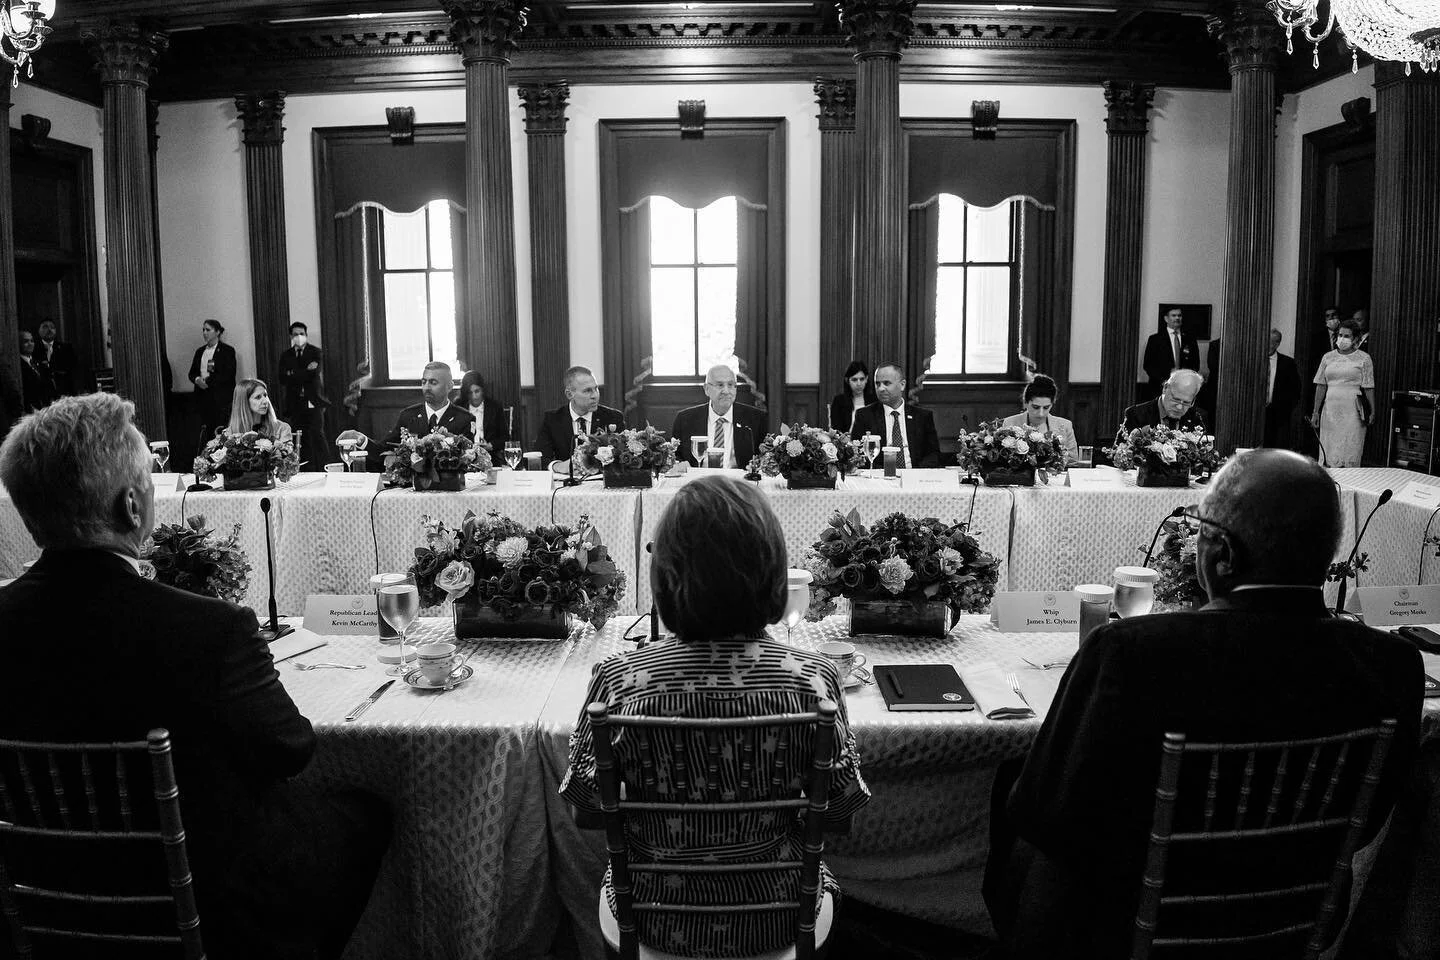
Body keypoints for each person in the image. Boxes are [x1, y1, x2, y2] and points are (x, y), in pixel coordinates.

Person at [984, 449, 1422, 959]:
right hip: (1288, 921)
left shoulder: (1130, 653)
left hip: (1126, 924)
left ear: (1222, 556)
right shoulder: (1394, 666)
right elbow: (1367, 819)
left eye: (1199, 529)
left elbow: (1046, 815)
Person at [0, 394, 392, 959]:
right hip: (209, 907)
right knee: (366, 812)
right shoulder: (210, 629)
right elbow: (290, 750)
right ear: (133, 506)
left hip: (43, 896)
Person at [560, 475, 870, 957]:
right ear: (772, 574)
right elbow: (839, 815)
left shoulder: (619, 679)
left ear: (664, 575)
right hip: (781, 917)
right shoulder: (815, 680)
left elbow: (586, 810)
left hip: (652, 916)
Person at [360, 361, 474, 471]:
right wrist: (361, 440)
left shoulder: (464, 419)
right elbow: (384, 449)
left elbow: (467, 459)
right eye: (424, 382)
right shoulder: (408, 416)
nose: (427, 387)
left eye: (433, 383)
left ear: (449, 386)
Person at [671, 364, 768, 469]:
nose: (726, 391)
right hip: (699, 481)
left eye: (730, 385)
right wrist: (680, 464)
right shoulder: (685, 419)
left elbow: (763, 456)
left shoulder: (756, 418)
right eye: (720, 385)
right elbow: (676, 456)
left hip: (738, 482)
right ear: (707, 389)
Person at [849, 361, 940, 467]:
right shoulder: (864, 416)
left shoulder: (922, 416)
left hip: (914, 476)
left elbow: (934, 455)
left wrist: (914, 475)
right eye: (877, 384)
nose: (881, 388)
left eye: (886, 383)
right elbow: (858, 454)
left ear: (902, 385)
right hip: (880, 478)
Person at [535, 365, 625, 469]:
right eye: (587, 391)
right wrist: (558, 466)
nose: (595, 395)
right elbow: (539, 458)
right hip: (567, 481)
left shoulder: (613, 417)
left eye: (596, 389)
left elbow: (623, 458)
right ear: (569, 395)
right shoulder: (552, 420)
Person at [1311, 321, 1374, 468]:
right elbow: (1321, 385)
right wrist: (1315, 412)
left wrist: (1372, 411)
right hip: (1330, 409)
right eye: (1340, 335)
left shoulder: (1364, 358)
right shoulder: (1328, 357)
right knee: (1329, 449)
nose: (1342, 338)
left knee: (1350, 449)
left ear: (1355, 339)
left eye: (1347, 336)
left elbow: (1369, 387)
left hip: (1353, 410)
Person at [277, 321, 328, 471]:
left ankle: (325, 466)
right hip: (295, 402)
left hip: (313, 400)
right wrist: (304, 371)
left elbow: (314, 373)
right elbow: (282, 378)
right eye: (295, 334)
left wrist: (293, 373)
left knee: (317, 434)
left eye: (301, 334)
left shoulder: (315, 352)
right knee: (300, 437)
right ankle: (304, 469)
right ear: (291, 336)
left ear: (305, 335)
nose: (298, 337)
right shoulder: (286, 355)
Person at [1000, 373, 1079, 465]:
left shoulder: (1065, 425)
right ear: (1025, 402)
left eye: (1046, 407)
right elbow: (1004, 461)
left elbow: (1073, 462)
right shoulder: (1010, 423)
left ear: (1053, 404)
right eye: (1035, 407)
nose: (1041, 413)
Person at [188, 319, 237, 444]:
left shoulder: (227, 351)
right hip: (202, 398)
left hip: (220, 399)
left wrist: (208, 381)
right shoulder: (200, 351)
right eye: (203, 330)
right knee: (205, 432)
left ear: (217, 332)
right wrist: (197, 380)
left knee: (220, 431)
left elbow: (228, 374)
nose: (204, 333)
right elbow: (192, 372)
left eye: (208, 330)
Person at [1120, 368, 1208, 433]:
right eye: (1176, 399)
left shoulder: (1198, 418)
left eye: (1186, 402)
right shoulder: (1136, 415)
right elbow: (1120, 454)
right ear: (1165, 388)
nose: (1179, 407)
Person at [1142, 307, 1199, 392]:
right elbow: (1148, 365)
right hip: (1160, 387)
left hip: (1184, 387)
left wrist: (1185, 377)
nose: (1177, 318)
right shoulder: (1155, 339)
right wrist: (1166, 377)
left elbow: (1195, 364)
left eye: (1179, 315)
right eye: (1173, 315)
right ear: (1166, 319)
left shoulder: (1190, 339)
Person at [1264, 328, 1302, 450]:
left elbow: (1295, 389)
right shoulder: (1254, 359)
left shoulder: (1288, 363)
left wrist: (1287, 408)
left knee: (1277, 448)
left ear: (1278, 343)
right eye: (1268, 341)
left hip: (1279, 414)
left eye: (1274, 341)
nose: (1270, 345)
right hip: (1257, 413)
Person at [227, 378, 293, 445]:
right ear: (244, 402)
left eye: (265, 395)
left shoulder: (282, 428)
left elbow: (287, 453)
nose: (265, 401)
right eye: (258, 397)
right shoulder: (230, 432)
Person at [459, 369, 508, 450]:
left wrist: (490, 446)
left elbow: (505, 437)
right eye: (470, 393)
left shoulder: (495, 407)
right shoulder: (459, 406)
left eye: (477, 391)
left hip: (491, 455)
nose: (474, 397)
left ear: (483, 390)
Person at [828, 359, 878, 434]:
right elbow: (836, 429)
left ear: (866, 379)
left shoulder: (874, 400)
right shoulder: (839, 401)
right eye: (854, 380)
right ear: (847, 380)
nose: (859, 384)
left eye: (862, 379)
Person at [34, 318, 78, 396]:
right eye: (45, 327)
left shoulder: (66, 348)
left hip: (64, 392)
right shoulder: (33, 348)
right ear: (39, 330)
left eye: (52, 327)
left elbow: (73, 371)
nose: (49, 329)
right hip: (42, 392)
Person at [18, 329, 52, 413]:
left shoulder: (38, 364)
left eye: (32, 341)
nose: (30, 344)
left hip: (44, 410)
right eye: (26, 341)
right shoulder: (18, 365)